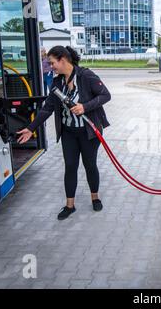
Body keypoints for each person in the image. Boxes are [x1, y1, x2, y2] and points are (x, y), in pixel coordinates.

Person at [17, 46, 111, 220]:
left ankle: (95, 197)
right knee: (70, 167)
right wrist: (31, 128)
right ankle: (70, 205)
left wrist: (85, 106)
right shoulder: (57, 83)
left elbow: (106, 95)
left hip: (88, 132)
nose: (51, 66)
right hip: (69, 133)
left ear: (63, 60)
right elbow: (47, 109)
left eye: (52, 63)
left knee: (90, 165)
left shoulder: (86, 76)